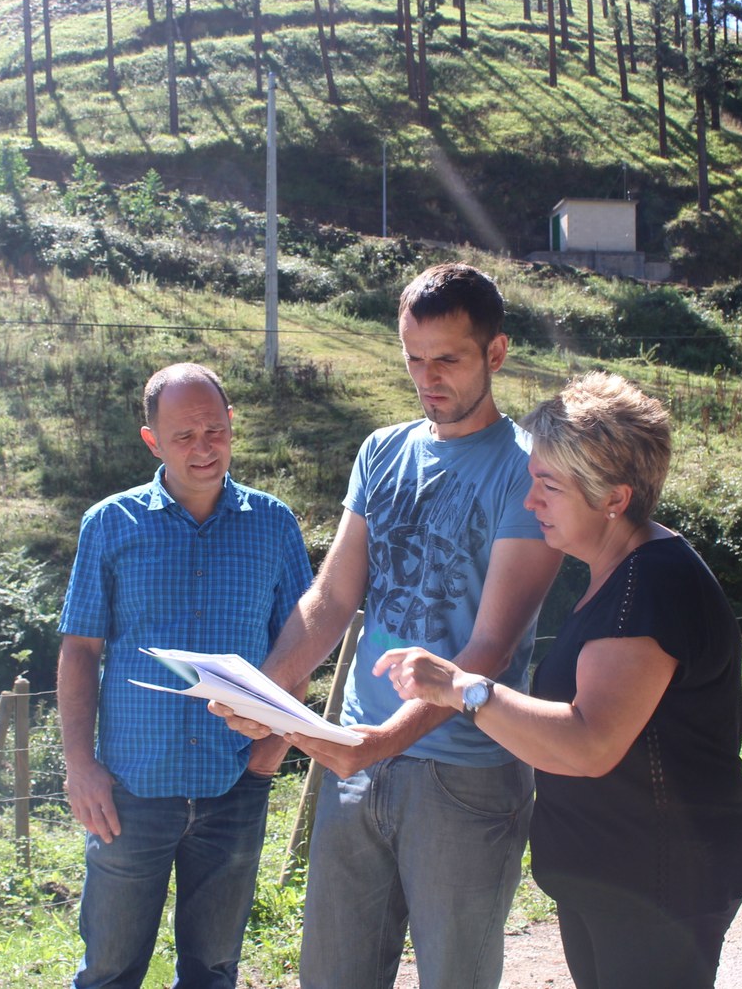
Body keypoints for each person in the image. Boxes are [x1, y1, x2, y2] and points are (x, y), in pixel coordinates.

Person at [217, 262, 565, 988]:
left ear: (496, 354)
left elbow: (489, 650)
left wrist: (378, 743)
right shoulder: (382, 451)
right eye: (412, 357)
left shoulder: (530, 472)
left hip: (465, 775)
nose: (426, 377)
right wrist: (268, 689)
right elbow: (332, 598)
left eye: (447, 359)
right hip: (354, 762)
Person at [375, 369, 742, 989]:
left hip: (658, 883)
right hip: (619, 877)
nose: (531, 504)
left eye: (549, 488)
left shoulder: (651, 588)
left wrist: (463, 688)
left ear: (615, 497)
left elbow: (588, 744)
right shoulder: (624, 572)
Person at [55, 362, 314, 989]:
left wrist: (268, 757)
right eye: (184, 436)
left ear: (231, 425)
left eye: (214, 429)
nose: (203, 448)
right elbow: (80, 651)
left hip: (235, 784)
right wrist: (80, 765)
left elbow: (299, 647)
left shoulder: (274, 525)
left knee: (213, 969)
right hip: (129, 793)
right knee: (111, 970)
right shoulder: (110, 526)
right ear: (153, 441)